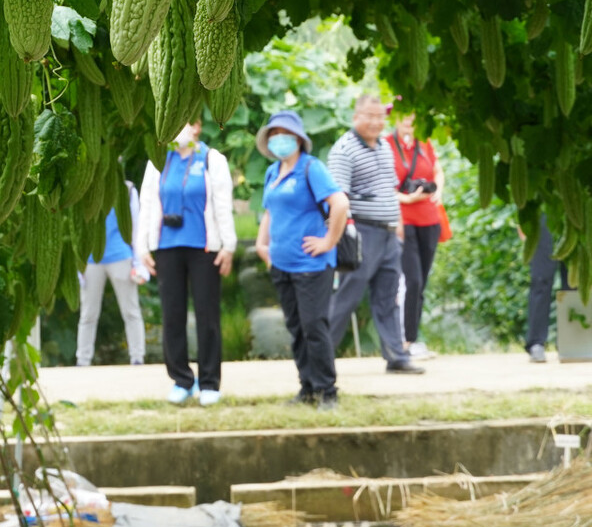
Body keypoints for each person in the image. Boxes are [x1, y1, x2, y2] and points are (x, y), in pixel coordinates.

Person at [255, 110, 350, 410]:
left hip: (311, 265)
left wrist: (329, 241)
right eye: (274, 134)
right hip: (281, 264)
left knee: (314, 326)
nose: (279, 139)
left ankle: (327, 391)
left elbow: (340, 203)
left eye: (285, 133)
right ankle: (307, 387)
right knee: (296, 327)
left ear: (298, 138)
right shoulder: (273, 172)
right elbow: (269, 211)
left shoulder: (312, 168)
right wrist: (262, 245)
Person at [138, 120, 236, 407]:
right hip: (167, 247)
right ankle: (181, 379)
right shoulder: (158, 158)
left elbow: (222, 204)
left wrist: (228, 246)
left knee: (207, 316)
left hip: (204, 247)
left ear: (197, 127)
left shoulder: (211, 159)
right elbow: (146, 204)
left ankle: (209, 382)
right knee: (172, 316)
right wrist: (142, 246)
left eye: (184, 122)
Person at [326, 95, 424, 374]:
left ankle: (396, 356)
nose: (376, 122)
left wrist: (398, 224)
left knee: (388, 295)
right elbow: (337, 197)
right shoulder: (344, 149)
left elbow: (388, 190)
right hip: (361, 232)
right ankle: (321, 355)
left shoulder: (383, 146)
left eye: (380, 117)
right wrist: (342, 236)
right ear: (356, 116)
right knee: (348, 295)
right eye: (370, 116)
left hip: (388, 232)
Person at [387, 112, 445, 360]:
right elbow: (383, 185)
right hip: (403, 220)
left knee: (421, 282)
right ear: (395, 119)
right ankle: (405, 341)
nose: (408, 120)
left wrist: (437, 191)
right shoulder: (387, 145)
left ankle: (412, 338)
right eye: (403, 116)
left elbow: (437, 171)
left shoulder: (425, 143)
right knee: (412, 281)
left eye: (412, 116)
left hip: (429, 219)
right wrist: (406, 198)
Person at [76, 180, 147, 367]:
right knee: (88, 313)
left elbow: (135, 227)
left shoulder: (128, 189)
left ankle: (137, 357)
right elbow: (78, 228)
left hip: (121, 255)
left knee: (130, 310)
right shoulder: (87, 185)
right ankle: (82, 360)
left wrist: (138, 262)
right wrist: (78, 265)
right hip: (91, 258)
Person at [525, 214, 572, 363]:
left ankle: (570, 342)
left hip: (575, 212)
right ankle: (536, 343)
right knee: (541, 278)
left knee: (574, 281)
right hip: (543, 210)